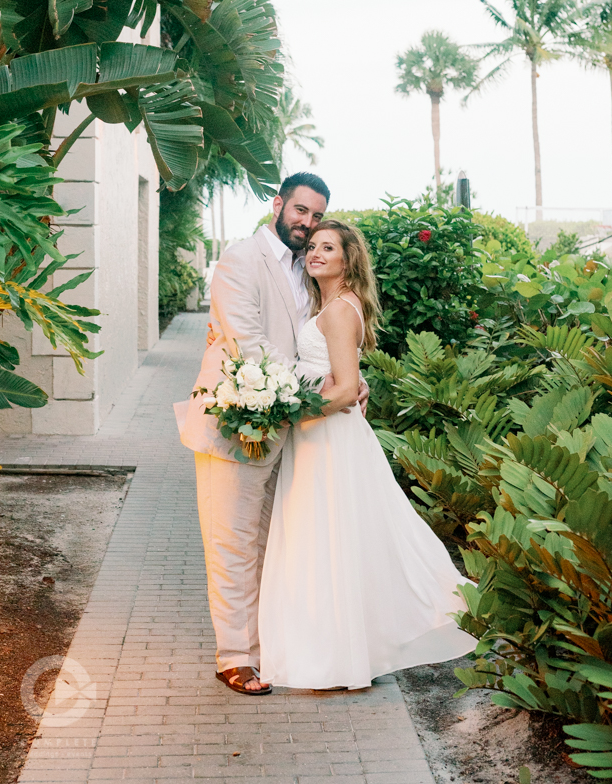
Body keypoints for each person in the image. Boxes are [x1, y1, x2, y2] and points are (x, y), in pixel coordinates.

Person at [257, 220, 477, 690]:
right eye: (312, 246)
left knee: (325, 539)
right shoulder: (336, 304)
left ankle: (335, 655)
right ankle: (334, 647)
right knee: (336, 541)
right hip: (325, 437)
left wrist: (287, 412)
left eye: (327, 248)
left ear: (347, 259)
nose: (315, 253)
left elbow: (345, 390)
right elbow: (344, 381)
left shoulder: (338, 311)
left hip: (327, 438)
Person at [178, 175, 368, 696]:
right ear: (279, 203)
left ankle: (266, 650)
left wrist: (352, 379)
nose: (307, 224)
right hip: (236, 425)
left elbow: (322, 341)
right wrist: (326, 389)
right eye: (300, 211)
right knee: (232, 544)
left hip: (286, 431)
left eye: (316, 216)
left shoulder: (304, 270)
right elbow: (250, 347)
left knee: (268, 547)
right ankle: (234, 657)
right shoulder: (241, 260)